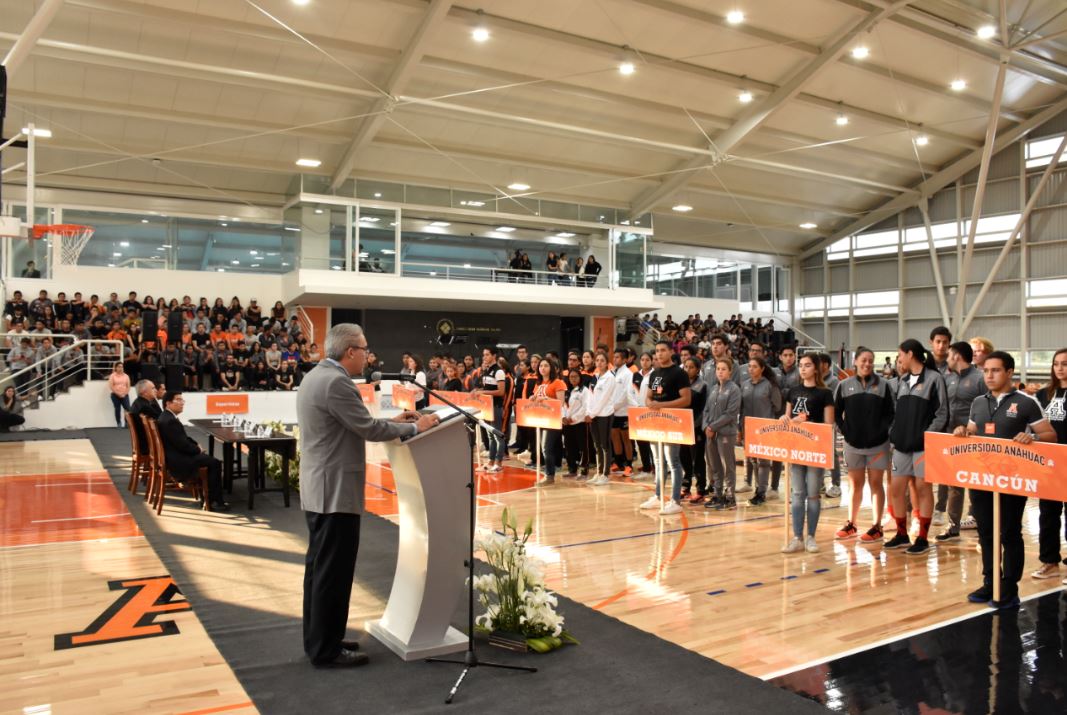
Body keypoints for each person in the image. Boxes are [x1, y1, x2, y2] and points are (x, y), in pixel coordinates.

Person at [298, 323, 437, 668]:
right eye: (364, 348)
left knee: (319, 570)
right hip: (335, 492)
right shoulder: (337, 382)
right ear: (350, 352)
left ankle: (321, 639)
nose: (368, 354)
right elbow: (368, 429)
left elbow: (354, 421)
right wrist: (414, 427)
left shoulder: (317, 376)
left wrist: (395, 419)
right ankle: (326, 650)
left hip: (320, 487)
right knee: (333, 573)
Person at [955, 351, 1056, 608]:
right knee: (986, 532)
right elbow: (974, 431)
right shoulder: (978, 402)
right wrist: (963, 432)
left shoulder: (1026, 402)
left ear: (1009, 372)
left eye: (995, 370)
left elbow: (1050, 435)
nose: (989, 375)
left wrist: (1032, 438)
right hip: (981, 478)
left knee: (1009, 533)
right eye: (986, 370)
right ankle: (991, 582)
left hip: (1012, 479)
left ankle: (1009, 588)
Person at [885, 339, 949, 555]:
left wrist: (926, 435)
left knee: (923, 488)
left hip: (923, 446)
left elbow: (942, 413)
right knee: (896, 489)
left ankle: (922, 538)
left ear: (910, 354)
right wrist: (894, 433)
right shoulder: (902, 381)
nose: (899, 359)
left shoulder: (934, 379)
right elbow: (895, 412)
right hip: (901, 446)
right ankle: (902, 535)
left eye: (900, 354)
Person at [833, 347, 894, 543]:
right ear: (856, 362)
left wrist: (883, 432)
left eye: (870, 360)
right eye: (863, 360)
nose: (867, 364)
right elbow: (836, 414)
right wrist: (845, 431)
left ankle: (877, 527)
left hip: (878, 445)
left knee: (876, 484)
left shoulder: (884, 386)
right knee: (855, 485)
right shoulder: (844, 385)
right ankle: (852, 524)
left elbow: (892, 414)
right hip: (853, 445)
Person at [781, 354, 834, 554]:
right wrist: (784, 419)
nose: (803, 369)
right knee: (796, 494)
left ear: (816, 368)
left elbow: (829, 425)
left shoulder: (824, 393)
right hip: (796, 448)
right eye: (801, 365)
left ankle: (811, 536)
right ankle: (797, 537)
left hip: (814, 449)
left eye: (807, 365)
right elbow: (788, 418)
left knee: (812, 494)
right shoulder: (792, 391)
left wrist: (810, 424)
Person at [935, 341, 985, 541]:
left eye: (949, 354)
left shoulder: (979, 379)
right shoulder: (946, 379)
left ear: (956, 356)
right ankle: (953, 527)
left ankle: (982, 523)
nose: (947, 358)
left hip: (973, 440)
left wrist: (972, 430)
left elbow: (987, 409)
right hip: (950, 439)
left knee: (976, 485)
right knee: (952, 484)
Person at [639, 340, 691, 515]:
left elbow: (686, 399)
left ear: (670, 352)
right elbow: (649, 396)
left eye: (662, 350)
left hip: (673, 422)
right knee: (658, 460)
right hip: (656, 421)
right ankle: (658, 495)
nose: (659, 354)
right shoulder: (655, 374)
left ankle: (675, 500)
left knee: (673, 461)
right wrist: (650, 403)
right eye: (657, 351)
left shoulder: (679, 373)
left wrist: (664, 405)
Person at [156, 392, 228, 512]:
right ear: (168, 403)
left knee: (208, 459)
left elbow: (183, 439)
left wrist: (196, 446)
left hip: (174, 455)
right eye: (178, 400)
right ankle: (214, 501)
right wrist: (197, 449)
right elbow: (183, 445)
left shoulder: (166, 417)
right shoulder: (169, 420)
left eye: (182, 400)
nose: (182, 403)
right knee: (214, 463)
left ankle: (208, 497)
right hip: (179, 460)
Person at [1032, 347, 1067, 583]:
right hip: (1049, 462)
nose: (1060, 368)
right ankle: (1050, 561)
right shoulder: (1044, 394)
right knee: (1048, 513)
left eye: (1064, 363)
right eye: (1056, 364)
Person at [739, 356, 783, 507]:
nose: (751, 369)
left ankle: (761, 492)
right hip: (748, 427)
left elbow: (777, 407)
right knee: (753, 459)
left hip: (765, 428)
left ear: (762, 368)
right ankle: (759, 488)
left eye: (754, 366)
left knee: (763, 461)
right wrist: (741, 428)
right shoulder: (744, 385)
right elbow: (742, 408)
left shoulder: (770, 385)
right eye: (749, 366)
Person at [703, 357, 741, 510]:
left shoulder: (734, 390)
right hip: (711, 433)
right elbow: (706, 410)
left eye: (723, 369)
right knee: (714, 465)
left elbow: (730, 414)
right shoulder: (713, 388)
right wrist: (706, 426)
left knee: (728, 465)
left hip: (725, 433)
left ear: (730, 372)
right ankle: (717, 494)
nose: (720, 372)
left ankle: (730, 496)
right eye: (718, 369)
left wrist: (712, 427)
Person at [470, 347, 508, 473]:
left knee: (498, 436)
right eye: (483, 355)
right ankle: (491, 462)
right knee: (490, 436)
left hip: (496, 407)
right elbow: (484, 388)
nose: (484, 357)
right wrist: (478, 390)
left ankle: (499, 463)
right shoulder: (486, 371)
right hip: (486, 408)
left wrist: (483, 392)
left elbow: (501, 392)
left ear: (494, 356)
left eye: (487, 354)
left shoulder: (499, 372)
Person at [532, 358, 566, 485]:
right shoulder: (538, 383)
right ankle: (549, 474)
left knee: (546, 448)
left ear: (551, 368)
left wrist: (545, 398)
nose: (543, 368)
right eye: (541, 366)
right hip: (541, 419)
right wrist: (533, 398)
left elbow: (560, 403)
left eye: (546, 365)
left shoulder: (558, 383)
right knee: (544, 448)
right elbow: (537, 399)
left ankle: (549, 476)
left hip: (553, 419)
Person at [585, 352, 616, 486]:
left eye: (602, 360)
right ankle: (598, 472)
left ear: (607, 362)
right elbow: (590, 397)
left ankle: (605, 474)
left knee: (605, 445)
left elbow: (603, 399)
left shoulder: (610, 378)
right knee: (596, 445)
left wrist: (591, 414)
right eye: (597, 360)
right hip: (593, 415)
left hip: (604, 414)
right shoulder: (595, 377)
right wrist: (588, 412)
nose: (599, 363)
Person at [680, 356, 708, 502]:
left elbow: (703, 409)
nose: (688, 369)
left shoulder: (703, 385)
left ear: (697, 369)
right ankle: (686, 486)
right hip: (682, 427)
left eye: (691, 367)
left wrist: (695, 424)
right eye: (686, 366)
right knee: (683, 456)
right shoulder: (681, 385)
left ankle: (701, 489)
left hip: (696, 427)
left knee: (697, 458)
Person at [609, 348, 636, 477]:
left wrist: (614, 406)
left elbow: (626, 393)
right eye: (614, 357)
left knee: (626, 438)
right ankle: (618, 462)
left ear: (625, 359)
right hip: (613, 411)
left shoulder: (628, 374)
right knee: (615, 436)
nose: (615, 359)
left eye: (618, 357)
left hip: (624, 410)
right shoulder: (612, 372)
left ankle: (629, 464)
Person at [562, 368, 589, 478]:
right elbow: (562, 405)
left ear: (580, 377)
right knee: (569, 447)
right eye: (571, 377)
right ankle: (572, 469)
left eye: (575, 376)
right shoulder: (566, 390)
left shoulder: (584, 390)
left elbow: (585, 407)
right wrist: (563, 417)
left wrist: (573, 418)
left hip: (579, 423)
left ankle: (583, 471)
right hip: (567, 424)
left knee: (582, 447)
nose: (573, 379)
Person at [108, 362, 132, 428]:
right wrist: (118, 393)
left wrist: (124, 394)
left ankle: (126, 423)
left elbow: (128, 386)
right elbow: (111, 386)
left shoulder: (126, 376)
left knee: (128, 409)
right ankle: (119, 423)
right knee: (117, 409)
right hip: (115, 395)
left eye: (121, 367)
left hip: (124, 395)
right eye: (118, 367)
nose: (120, 368)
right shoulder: (112, 375)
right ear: (116, 368)